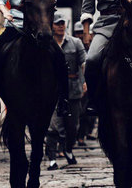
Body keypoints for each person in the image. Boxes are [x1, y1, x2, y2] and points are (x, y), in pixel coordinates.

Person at [46, 13, 87, 170]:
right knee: (53, 127)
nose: (60, 26)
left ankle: (68, 149)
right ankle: (51, 158)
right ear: (52, 25)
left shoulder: (75, 43)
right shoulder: (47, 44)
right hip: (53, 90)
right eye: (57, 23)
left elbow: (84, 63)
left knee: (73, 127)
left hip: (73, 89)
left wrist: (86, 81)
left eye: (62, 23)